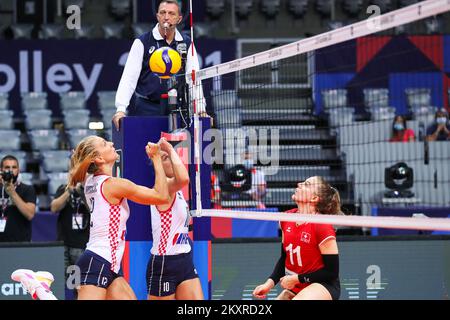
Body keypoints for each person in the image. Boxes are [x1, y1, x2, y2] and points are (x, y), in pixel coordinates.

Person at [70, 135, 170, 300]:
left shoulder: (90, 182)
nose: (110, 143)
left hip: (108, 264)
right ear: (99, 158)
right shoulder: (114, 185)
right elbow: (161, 197)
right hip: (98, 261)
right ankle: (40, 289)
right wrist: (156, 158)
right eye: (104, 143)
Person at [113, 0, 207, 129]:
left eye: (171, 13)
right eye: (163, 13)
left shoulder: (186, 43)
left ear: (179, 19)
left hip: (178, 107)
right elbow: (129, 78)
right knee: (148, 147)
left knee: (176, 147)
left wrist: (201, 109)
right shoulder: (142, 42)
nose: (166, 17)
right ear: (157, 16)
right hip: (148, 107)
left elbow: (194, 78)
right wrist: (121, 108)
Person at [253, 176, 341, 300]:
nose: (299, 184)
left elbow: (331, 272)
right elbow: (285, 258)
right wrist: (269, 283)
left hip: (323, 285)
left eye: (307, 184)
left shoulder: (322, 225)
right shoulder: (286, 218)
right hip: (298, 286)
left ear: (314, 198)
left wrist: (296, 279)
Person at [146, 137, 203, 300]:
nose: (171, 161)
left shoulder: (176, 190)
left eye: (171, 157)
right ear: (158, 167)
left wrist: (170, 152)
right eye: (165, 159)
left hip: (185, 260)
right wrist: (170, 149)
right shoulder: (164, 189)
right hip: (164, 263)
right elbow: (184, 179)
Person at [50, 182, 90, 292]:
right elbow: (54, 208)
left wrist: (81, 192)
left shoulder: (90, 189)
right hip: (63, 245)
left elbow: (92, 208)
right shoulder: (63, 188)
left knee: (80, 286)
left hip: (82, 246)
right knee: (58, 284)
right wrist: (69, 191)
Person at [0, 155, 36, 242]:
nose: (11, 170)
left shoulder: (27, 189)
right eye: (7, 167)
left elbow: (30, 215)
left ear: (19, 170)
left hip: (20, 244)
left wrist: (12, 193)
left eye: (14, 167)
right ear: (1, 170)